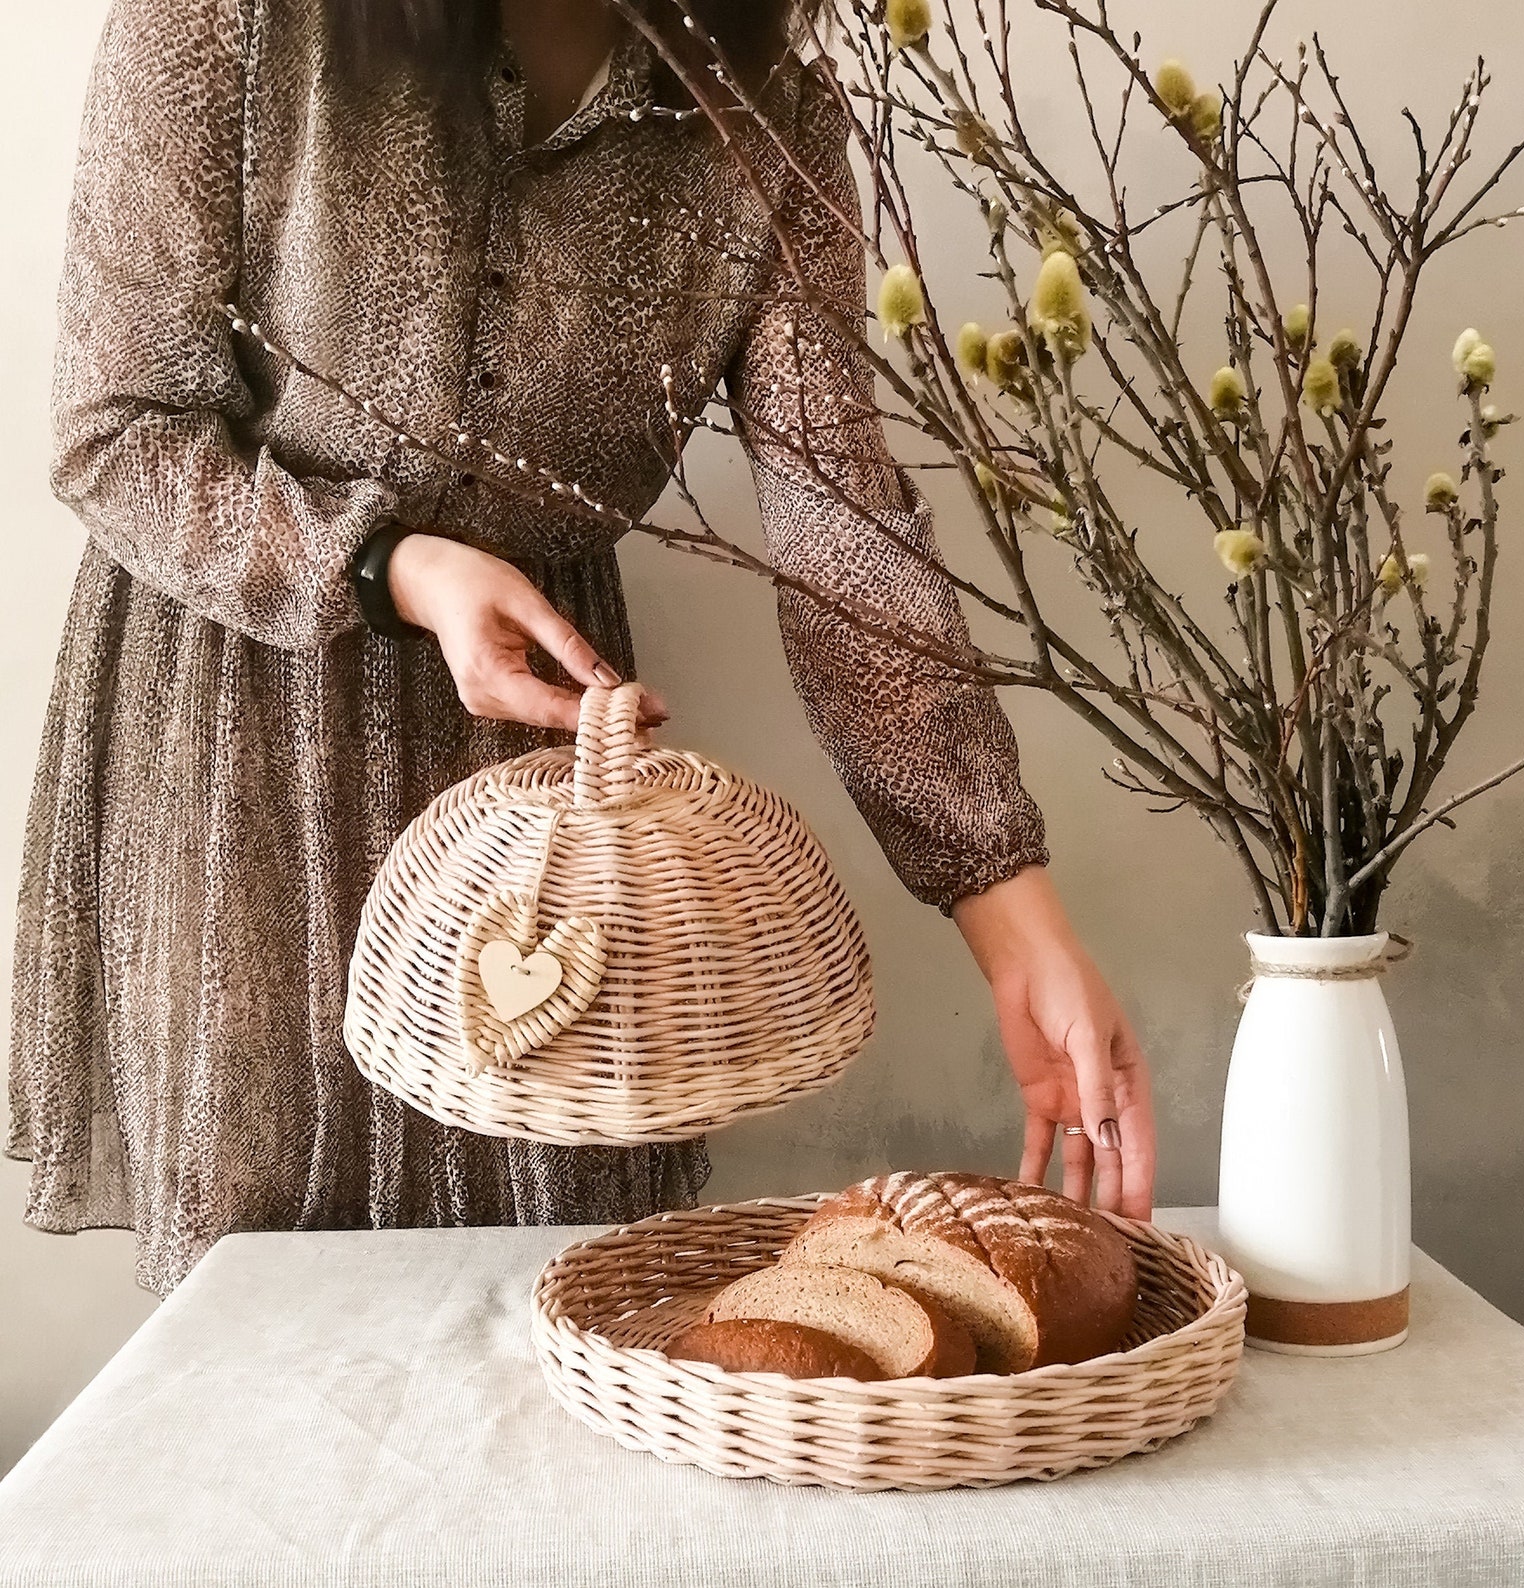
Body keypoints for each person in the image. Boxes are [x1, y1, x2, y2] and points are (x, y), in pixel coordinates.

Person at [8, 0, 1155, 1299]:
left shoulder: (759, 119)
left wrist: (1021, 933)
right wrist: (395, 568)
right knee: (278, 1306)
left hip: (554, 779)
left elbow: (847, 542)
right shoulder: (229, 23)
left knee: (559, 1295)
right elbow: (115, 429)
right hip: (245, 748)